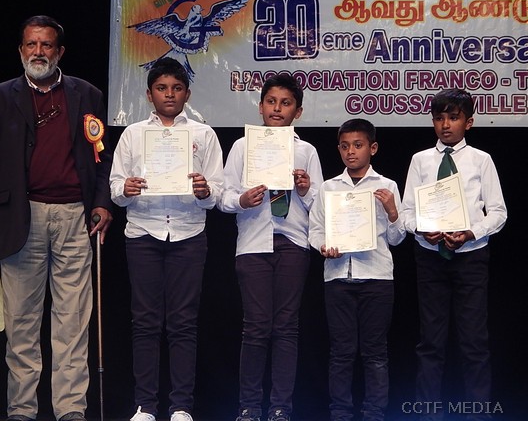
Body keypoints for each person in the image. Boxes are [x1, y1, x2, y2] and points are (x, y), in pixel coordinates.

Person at [0, 15, 113, 421]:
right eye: (31, 44)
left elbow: (101, 159)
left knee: (73, 321)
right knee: (21, 323)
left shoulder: (88, 94)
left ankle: (71, 410)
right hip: (20, 219)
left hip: (75, 218)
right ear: (20, 50)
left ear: (60, 52)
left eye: (46, 45)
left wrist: (102, 203)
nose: (38, 52)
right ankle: (22, 411)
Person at [109, 57, 224, 421]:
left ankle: (181, 407)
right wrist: (126, 189)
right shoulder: (133, 134)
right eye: (162, 88)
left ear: (187, 93)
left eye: (176, 88)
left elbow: (217, 192)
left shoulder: (203, 135)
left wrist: (205, 190)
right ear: (149, 95)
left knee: (183, 323)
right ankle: (145, 406)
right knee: (144, 322)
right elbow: (115, 187)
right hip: (143, 232)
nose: (169, 94)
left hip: (189, 233)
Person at [217, 73, 323, 421]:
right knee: (256, 327)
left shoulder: (306, 151)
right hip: (253, 243)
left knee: (287, 327)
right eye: (272, 102)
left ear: (298, 112)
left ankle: (280, 408)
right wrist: (242, 200)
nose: (277, 109)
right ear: (260, 106)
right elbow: (223, 196)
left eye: (286, 103)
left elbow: (321, 207)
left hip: (292, 242)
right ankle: (248, 407)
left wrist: (305, 189)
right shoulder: (242, 147)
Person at [400, 89, 507, 421]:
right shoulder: (420, 160)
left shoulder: (481, 160)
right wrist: (421, 229)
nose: (445, 125)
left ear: (468, 122)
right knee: (430, 342)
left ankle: (478, 413)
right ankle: (427, 413)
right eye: (439, 118)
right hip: (430, 257)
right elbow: (406, 213)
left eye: (453, 117)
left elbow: (498, 212)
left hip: (471, 258)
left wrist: (471, 232)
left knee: (474, 341)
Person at [308, 118, 406, 421]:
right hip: (338, 276)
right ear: (339, 149)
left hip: (376, 277)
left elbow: (396, 238)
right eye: (345, 146)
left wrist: (393, 212)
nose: (351, 152)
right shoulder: (328, 188)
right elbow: (316, 230)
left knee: (375, 351)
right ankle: (340, 413)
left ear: (372, 148)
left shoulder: (387, 186)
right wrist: (323, 246)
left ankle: (374, 413)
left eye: (358, 145)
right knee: (341, 351)